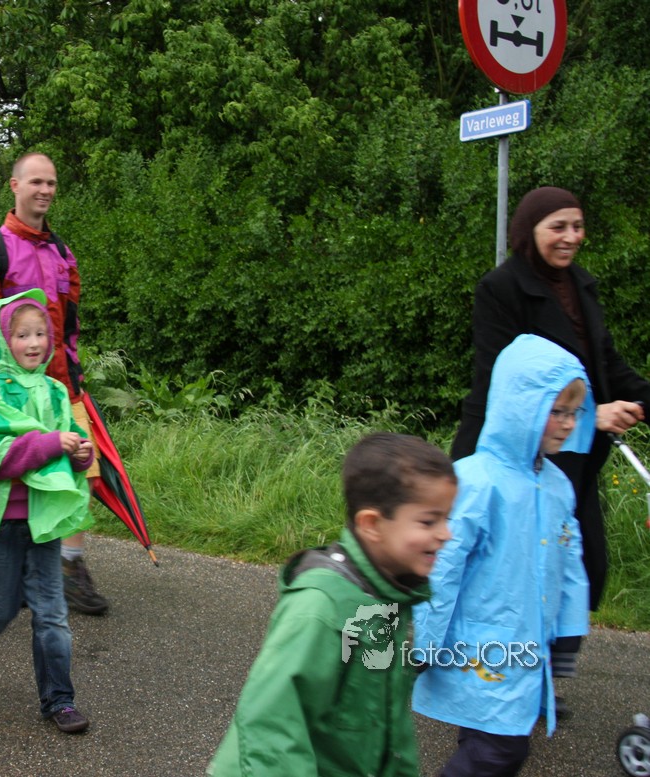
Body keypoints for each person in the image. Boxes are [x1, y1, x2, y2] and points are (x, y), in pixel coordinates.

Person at [207, 432, 456, 776]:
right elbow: (271, 729)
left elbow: (389, 731)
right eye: (428, 521)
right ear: (372, 524)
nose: (446, 534)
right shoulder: (321, 609)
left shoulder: (390, 598)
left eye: (447, 519)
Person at [451, 186, 650, 612]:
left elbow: (606, 364)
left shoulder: (581, 285)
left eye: (578, 226)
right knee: (511, 576)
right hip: (513, 456)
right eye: (558, 227)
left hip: (572, 457)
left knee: (579, 572)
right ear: (529, 231)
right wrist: (590, 415)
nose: (571, 237)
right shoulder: (500, 288)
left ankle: (554, 648)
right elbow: (507, 385)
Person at [415, 334, 592, 776]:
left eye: (574, 413)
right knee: (500, 751)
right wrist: (422, 643)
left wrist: (568, 634)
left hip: (528, 648)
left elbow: (570, 562)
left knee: (491, 742)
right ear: (521, 405)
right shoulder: (477, 482)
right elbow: (442, 567)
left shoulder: (557, 486)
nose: (568, 424)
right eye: (557, 411)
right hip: (480, 647)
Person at [0, 152, 109, 616]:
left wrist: (74, 374)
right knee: (15, 477)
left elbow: (69, 325)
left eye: (51, 183)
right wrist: (7, 385)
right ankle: (13, 566)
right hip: (10, 395)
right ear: (15, 186)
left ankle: (68, 566)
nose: (45, 190)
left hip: (61, 386)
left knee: (84, 468)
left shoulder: (62, 253)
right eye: (36, 182)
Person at [0, 289, 95, 734]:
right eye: (22, 335)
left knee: (52, 612)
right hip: (1, 523)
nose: (34, 343)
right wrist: (49, 444)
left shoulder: (55, 392)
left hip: (44, 521)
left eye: (41, 333)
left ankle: (59, 700)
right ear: (1, 340)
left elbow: (69, 446)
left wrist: (80, 455)